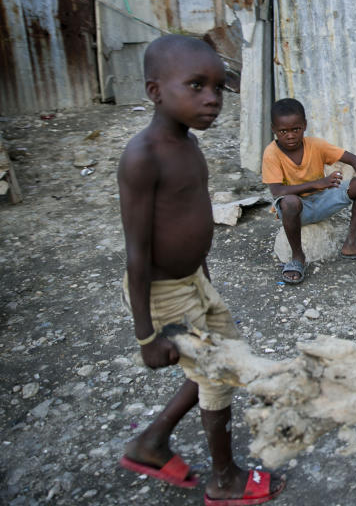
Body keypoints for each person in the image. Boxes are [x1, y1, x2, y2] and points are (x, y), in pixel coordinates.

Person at [117, 35, 285, 504]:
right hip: (161, 293)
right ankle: (225, 480)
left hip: (193, 283)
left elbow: (192, 219)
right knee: (218, 376)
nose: (212, 99)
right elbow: (136, 249)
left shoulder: (190, 144)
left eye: (218, 88)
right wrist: (147, 337)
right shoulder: (142, 157)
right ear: (155, 91)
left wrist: (205, 279)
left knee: (228, 359)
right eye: (196, 86)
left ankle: (151, 442)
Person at [262, 98, 356, 284]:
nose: (290, 135)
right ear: (273, 129)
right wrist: (317, 184)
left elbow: (355, 160)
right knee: (290, 201)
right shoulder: (271, 153)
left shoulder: (315, 145)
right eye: (283, 131)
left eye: (296, 129)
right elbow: (277, 191)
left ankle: (351, 244)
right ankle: (297, 257)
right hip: (296, 210)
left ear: (305, 126)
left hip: (321, 201)